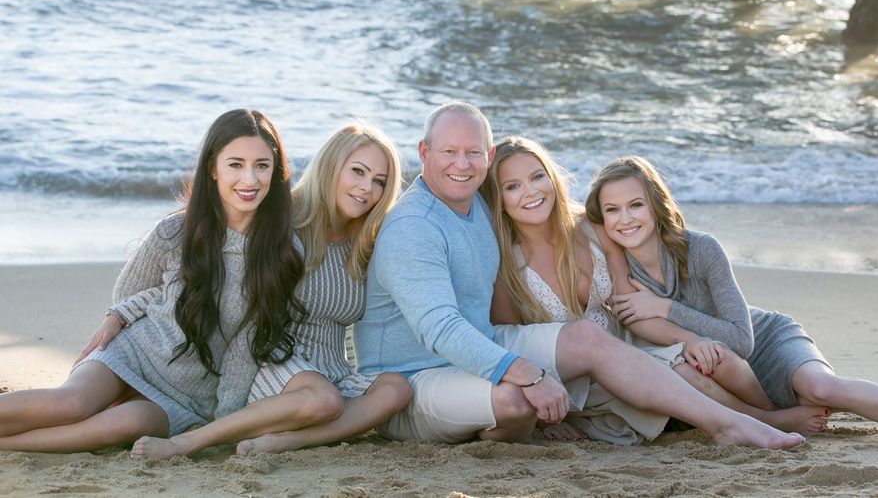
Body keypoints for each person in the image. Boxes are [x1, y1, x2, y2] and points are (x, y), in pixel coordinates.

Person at [354, 101, 805, 449]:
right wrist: (526, 374)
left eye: (473, 152)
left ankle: (727, 424)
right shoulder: (414, 226)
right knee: (515, 401)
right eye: (449, 152)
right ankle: (508, 430)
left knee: (583, 337)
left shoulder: (477, 210)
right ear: (424, 153)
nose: (462, 164)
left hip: (481, 342)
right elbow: (439, 328)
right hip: (414, 375)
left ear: (488, 157)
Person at [483, 137, 828, 444]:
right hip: (576, 380)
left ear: (552, 178)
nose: (530, 192)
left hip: (630, 348)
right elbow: (516, 345)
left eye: (537, 176)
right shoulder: (507, 267)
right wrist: (544, 421)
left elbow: (632, 312)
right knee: (682, 370)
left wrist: (689, 338)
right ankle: (765, 421)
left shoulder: (592, 231)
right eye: (513, 186)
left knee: (705, 356)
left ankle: (767, 413)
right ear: (498, 200)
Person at [0, 109, 304, 453]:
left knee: (124, 424)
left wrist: (222, 420)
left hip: (186, 397)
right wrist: (117, 317)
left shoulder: (283, 251)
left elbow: (247, 347)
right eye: (235, 164)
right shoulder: (175, 231)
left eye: (261, 165)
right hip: (136, 353)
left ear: (276, 171)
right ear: (212, 169)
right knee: (70, 405)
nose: (249, 179)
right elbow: (130, 293)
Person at [586, 155, 878, 433]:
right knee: (698, 367)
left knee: (823, 390)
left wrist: (666, 307)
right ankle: (771, 419)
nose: (625, 219)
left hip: (764, 341)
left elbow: (741, 340)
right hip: (710, 371)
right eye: (613, 210)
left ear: (656, 206)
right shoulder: (618, 270)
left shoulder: (702, 248)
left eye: (636, 205)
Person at [129, 124, 413, 459]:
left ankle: (292, 440)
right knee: (322, 399)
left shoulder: (365, 243)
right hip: (273, 360)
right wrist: (121, 316)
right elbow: (199, 254)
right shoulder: (278, 220)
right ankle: (189, 442)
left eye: (379, 181)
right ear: (331, 167)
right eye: (358, 172)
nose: (367, 188)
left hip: (331, 369)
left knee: (396, 388)